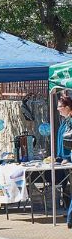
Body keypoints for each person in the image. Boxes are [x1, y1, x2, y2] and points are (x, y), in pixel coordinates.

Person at [56, 95, 72, 228]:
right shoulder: (65, 121)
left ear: (67, 107)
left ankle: (70, 219)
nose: (57, 109)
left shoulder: (70, 121)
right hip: (64, 159)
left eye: (60, 106)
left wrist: (68, 157)